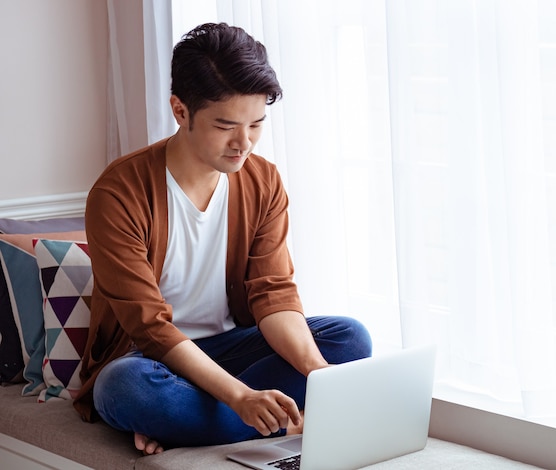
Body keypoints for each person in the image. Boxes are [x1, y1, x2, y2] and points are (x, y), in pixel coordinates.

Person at [73, 22, 372, 455]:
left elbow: (273, 294)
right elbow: (151, 329)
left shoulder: (263, 180)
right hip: (152, 360)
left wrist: (320, 377)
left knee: (348, 339)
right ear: (180, 111)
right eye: (226, 125)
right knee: (122, 390)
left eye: (257, 124)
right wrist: (239, 397)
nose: (244, 143)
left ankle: (191, 423)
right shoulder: (118, 193)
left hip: (233, 348)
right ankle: (257, 418)